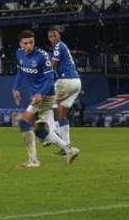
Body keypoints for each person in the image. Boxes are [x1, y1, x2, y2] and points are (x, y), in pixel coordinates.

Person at [11, 30, 80, 168]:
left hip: (46, 95)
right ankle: (69, 150)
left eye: (31, 42)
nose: (29, 45)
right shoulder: (18, 54)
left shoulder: (42, 56)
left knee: (24, 122)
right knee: (40, 130)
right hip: (38, 95)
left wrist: (41, 94)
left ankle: (33, 161)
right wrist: (15, 88)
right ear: (20, 44)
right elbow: (20, 72)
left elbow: (50, 79)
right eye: (26, 43)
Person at [46, 27, 81, 151]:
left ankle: (51, 134)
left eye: (54, 35)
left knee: (46, 103)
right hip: (76, 82)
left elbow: (52, 64)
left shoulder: (58, 46)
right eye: (50, 36)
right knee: (61, 114)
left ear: (59, 36)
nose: (53, 38)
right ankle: (67, 147)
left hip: (66, 80)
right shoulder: (62, 47)